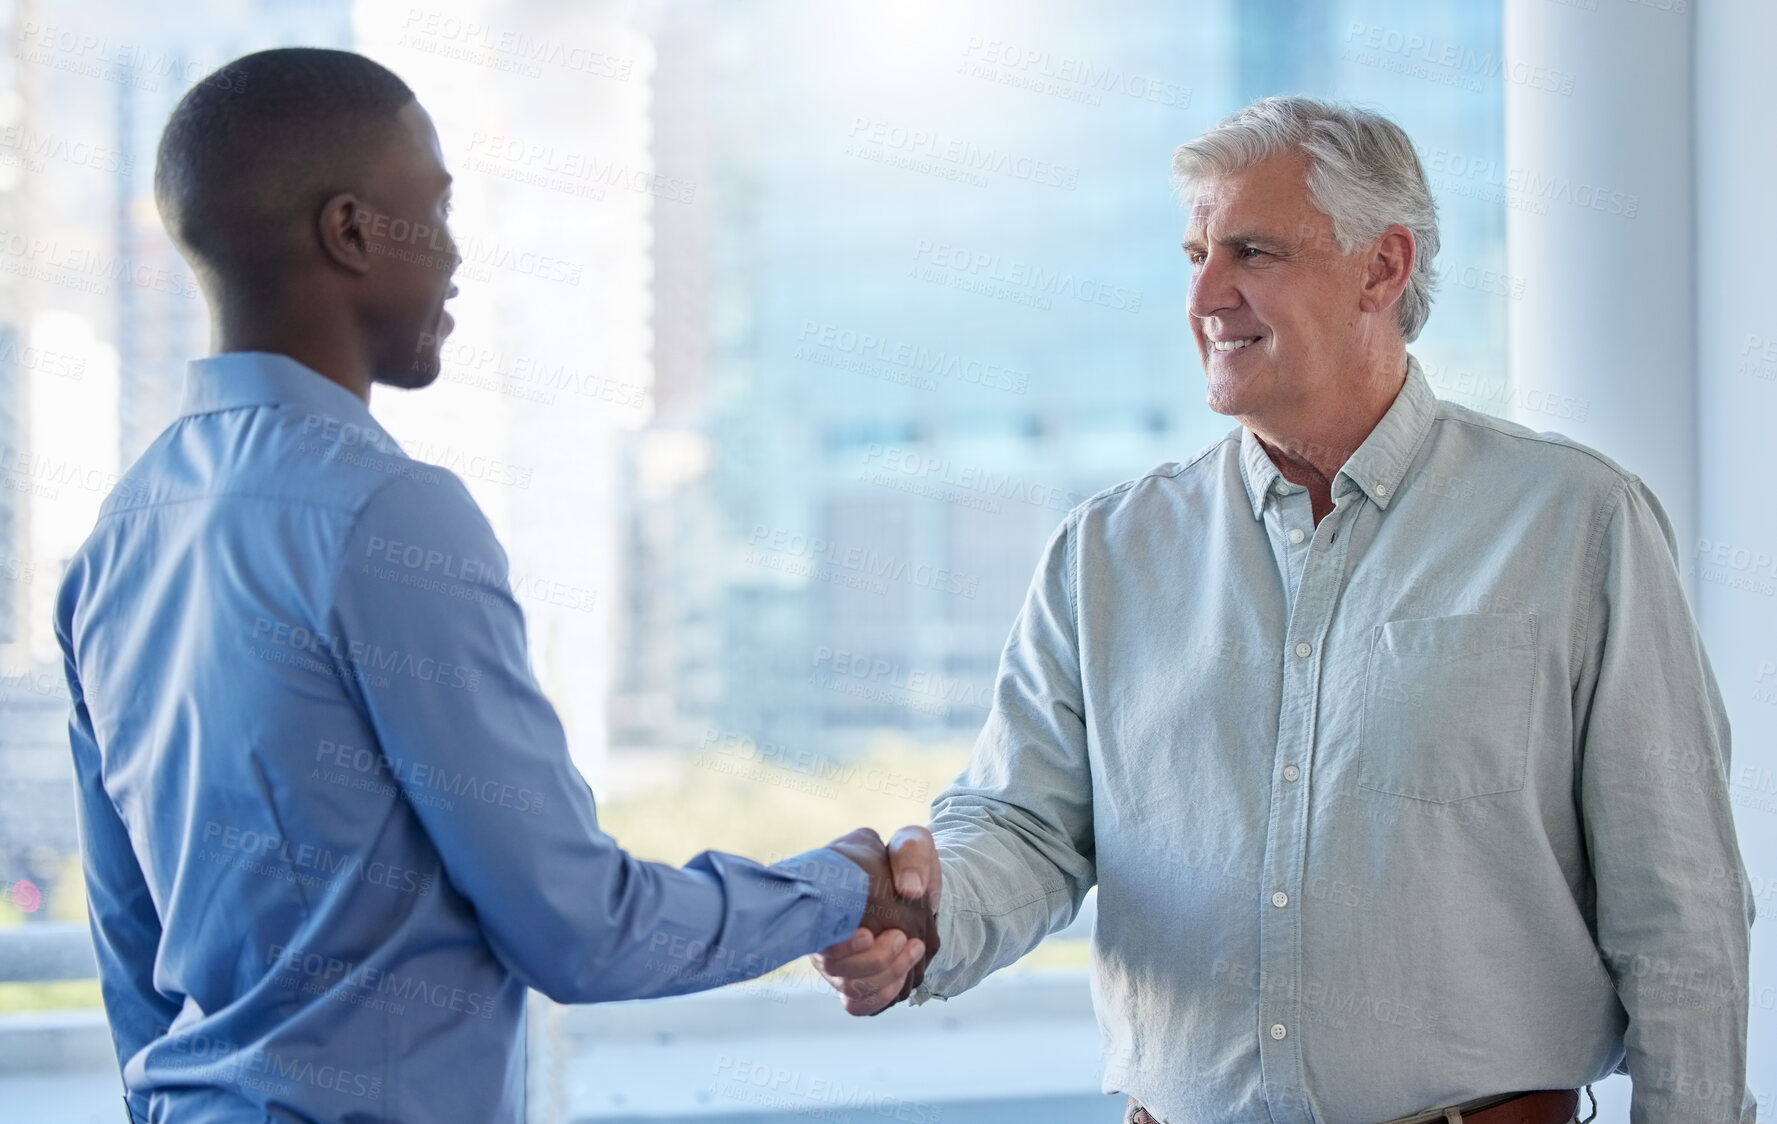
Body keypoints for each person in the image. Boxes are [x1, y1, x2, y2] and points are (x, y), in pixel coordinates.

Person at [813, 97, 1755, 1124]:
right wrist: (922, 918)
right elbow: (1023, 828)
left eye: (1251, 252)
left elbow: (1679, 909)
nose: (1205, 294)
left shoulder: (1576, 523)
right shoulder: (1107, 553)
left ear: (1382, 268)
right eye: (1195, 253)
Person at [56, 47, 933, 1124]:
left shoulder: (117, 536)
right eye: (437, 210)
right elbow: (579, 926)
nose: (458, 257)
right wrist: (841, 881)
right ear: (352, 231)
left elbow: (132, 956)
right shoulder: (387, 515)